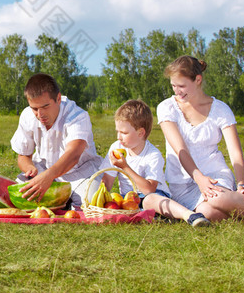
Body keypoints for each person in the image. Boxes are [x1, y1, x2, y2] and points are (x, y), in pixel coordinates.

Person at [157, 56, 244, 222]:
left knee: (217, 198)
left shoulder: (221, 109)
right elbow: (180, 149)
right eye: (173, 85)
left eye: (181, 86)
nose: (176, 91)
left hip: (215, 175)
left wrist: (242, 185)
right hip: (182, 183)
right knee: (208, 213)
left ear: (198, 80)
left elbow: (235, 153)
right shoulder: (166, 107)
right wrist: (199, 178)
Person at [100, 100, 210, 227]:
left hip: (154, 195)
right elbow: (107, 181)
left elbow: (149, 189)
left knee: (149, 200)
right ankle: (153, 217)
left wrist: (125, 167)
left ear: (141, 133)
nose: (119, 137)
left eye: (124, 133)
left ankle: (190, 216)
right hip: (128, 199)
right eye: (117, 131)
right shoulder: (116, 147)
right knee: (115, 201)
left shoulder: (153, 155)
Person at [11, 73, 103, 208]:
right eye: (35, 108)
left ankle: (65, 202)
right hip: (44, 171)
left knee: (90, 199)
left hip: (80, 172)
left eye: (45, 107)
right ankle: (61, 202)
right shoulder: (27, 115)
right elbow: (23, 155)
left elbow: (73, 155)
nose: (40, 114)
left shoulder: (78, 116)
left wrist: (48, 177)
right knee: (17, 192)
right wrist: (30, 168)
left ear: (58, 98)